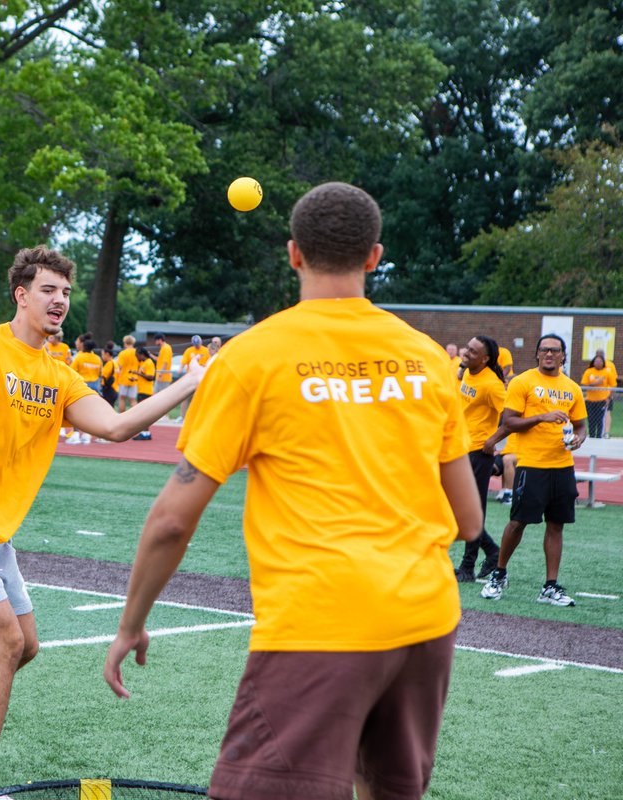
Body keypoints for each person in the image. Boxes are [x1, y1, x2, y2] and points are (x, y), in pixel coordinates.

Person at [104, 182, 481, 800]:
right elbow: (468, 520)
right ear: (374, 257)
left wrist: (131, 623)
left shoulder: (253, 358)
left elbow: (174, 519)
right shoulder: (426, 358)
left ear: (294, 254)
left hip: (319, 622)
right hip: (426, 620)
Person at [0, 245, 205, 800]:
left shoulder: (56, 373)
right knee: (3, 640)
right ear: (21, 295)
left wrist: (189, 381)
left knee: (24, 645)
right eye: (49, 291)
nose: (59, 302)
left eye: (66, 292)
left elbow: (118, 426)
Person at [481, 334, 587, 607]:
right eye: (544, 350)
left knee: (556, 525)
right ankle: (499, 574)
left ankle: (550, 586)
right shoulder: (523, 381)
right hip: (531, 464)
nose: (549, 354)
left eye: (554, 350)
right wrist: (542, 416)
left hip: (562, 466)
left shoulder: (572, 388)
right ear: (537, 354)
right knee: (518, 522)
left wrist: (578, 439)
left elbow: (581, 425)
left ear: (564, 355)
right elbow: (509, 422)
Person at [454, 336, 506, 582]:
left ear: (485, 359)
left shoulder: (493, 385)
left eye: (473, 352)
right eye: (467, 348)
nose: (467, 353)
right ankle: (492, 552)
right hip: (462, 448)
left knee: (472, 510)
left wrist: (493, 441)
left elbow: (510, 416)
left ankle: (467, 567)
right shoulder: (467, 372)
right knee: (457, 508)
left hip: (479, 453)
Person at [67, 338, 103, 445]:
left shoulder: (79, 357)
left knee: (76, 410)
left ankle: (76, 435)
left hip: (82, 385)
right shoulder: (97, 358)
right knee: (91, 412)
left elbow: (72, 371)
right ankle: (87, 435)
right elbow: (100, 372)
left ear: (84, 347)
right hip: (95, 386)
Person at [580, 351, 614, 438]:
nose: (598, 363)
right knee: (591, 420)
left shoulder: (607, 372)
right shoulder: (589, 371)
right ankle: (591, 436)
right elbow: (584, 384)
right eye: (596, 361)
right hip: (590, 400)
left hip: (602, 400)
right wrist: (596, 383)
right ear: (593, 362)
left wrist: (609, 398)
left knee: (599, 420)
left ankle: (599, 437)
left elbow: (613, 385)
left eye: (600, 361)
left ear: (603, 363)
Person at [176, 335, 210, 420]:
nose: (197, 346)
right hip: (191, 377)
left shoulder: (206, 351)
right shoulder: (189, 351)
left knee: (199, 398)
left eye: (198, 344)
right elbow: (184, 361)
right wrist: (180, 368)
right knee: (185, 397)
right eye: (195, 344)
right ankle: (182, 416)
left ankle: (199, 417)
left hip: (201, 378)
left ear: (201, 342)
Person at [131, 346, 156, 441]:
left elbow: (151, 377)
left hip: (146, 391)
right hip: (142, 390)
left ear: (142, 354)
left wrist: (138, 374)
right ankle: (146, 432)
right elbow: (144, 378)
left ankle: (144, 433)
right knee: (143, 413)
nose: (136, 357)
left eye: (137, 355)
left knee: (143, 413)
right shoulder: (144, 363)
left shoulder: (149, 363)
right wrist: (136, 378)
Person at [115, 335, 139, 411]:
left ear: (125, 343)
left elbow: (120, 366)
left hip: (123, 378)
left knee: (122, 398)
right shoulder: (137, 352)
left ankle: (122, 415)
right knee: (132, 399)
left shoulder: (122, 353)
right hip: (134, 378)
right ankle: (136, 416)